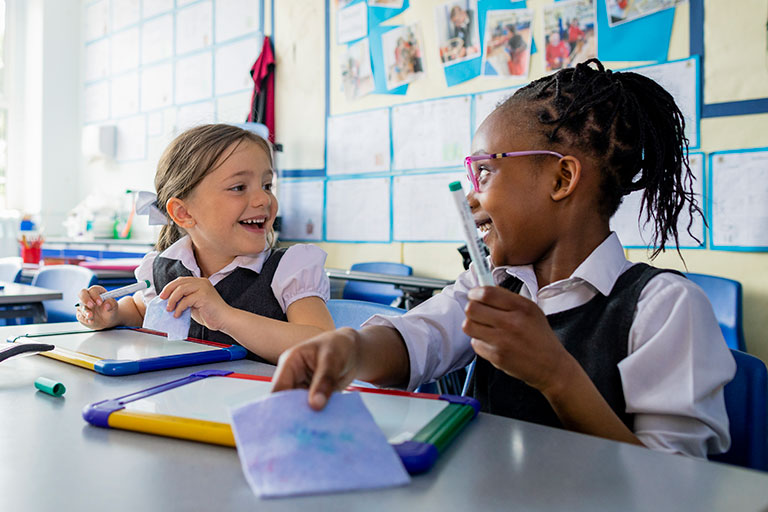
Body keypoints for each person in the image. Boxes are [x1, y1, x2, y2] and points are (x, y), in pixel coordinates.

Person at [272, 60, 736, 458]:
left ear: (561, 178)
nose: (472, 198)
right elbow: (419, 339)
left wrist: (556, 375)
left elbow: (675, 487)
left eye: (486, 172)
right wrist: (350, 350)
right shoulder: (492, 282)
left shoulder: (663, 308)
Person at [76, 124, 335, 363]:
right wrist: (113, 314)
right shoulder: (165, 267)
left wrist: (225, 317)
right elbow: (140, 308)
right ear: (183, 213)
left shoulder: (290, 269)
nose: (263, 199)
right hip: (182, 404)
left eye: (267, 185)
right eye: (238, 187)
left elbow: (326, 348)